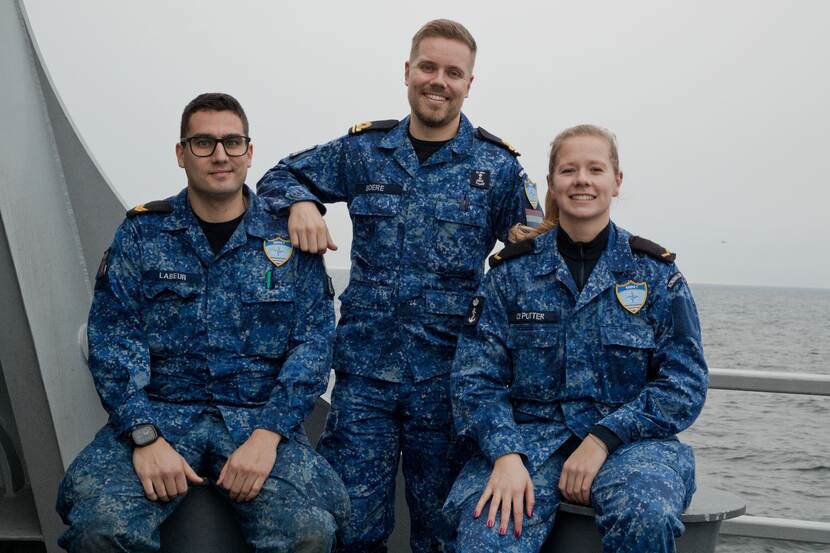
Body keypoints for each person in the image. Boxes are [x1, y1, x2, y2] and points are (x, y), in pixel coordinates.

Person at [256, 19, 542, 553]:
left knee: (441, 532)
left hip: (451, 382)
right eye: (428, 67)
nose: (439, 80)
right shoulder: (365, 151)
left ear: (469, 84)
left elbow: (532, 256)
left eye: (453, 72)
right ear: (407, 72)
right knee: (352, 528)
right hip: (365, 380)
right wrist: (302, 204)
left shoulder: (496, 167)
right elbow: (278, 175)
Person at [56, 93, 349, 553]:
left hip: (259, 423)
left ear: (250, 153)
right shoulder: (142, 233)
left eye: (233, 142)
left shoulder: (287, 240)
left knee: (309, 530)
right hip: (161, 416)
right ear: (181, 153)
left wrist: (268, 436)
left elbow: (312, 347)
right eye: (203, 142)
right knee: (97, 526)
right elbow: (112, 340)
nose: (220, 156)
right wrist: (144, 436)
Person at [445, 124, 707, 553]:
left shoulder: (656, 276)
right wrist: (506, 454)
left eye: (595, 169)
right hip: (530, 443)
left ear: (616, 181)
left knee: (647, 516)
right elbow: (474, 381)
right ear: (551, 184)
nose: (582, 180)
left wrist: (605, 436)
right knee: (485, 535)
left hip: (631, 446)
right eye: (569, 170)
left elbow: (685, 383)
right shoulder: (510, 276)